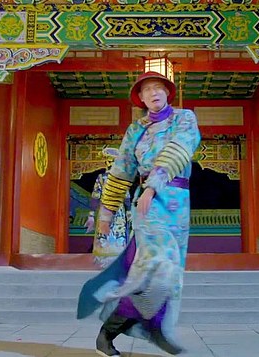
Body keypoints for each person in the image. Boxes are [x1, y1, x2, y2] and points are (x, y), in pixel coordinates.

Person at [77, 71, 201, 357]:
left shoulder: (184, 118)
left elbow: (180, 147)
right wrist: (106, 216)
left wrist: (155, 185)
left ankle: (153, 328)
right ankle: (111, 333)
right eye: (147, 90)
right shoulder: (136, 130)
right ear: (141, 99)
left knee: (167, 274)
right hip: (148, 205)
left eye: (159, 87)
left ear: (168, 92)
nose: (154, 93)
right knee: (152, 269)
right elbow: (121, 172)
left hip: (177, 204)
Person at [86, 147, 132, 268]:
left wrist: (91, 214)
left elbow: (96, 196)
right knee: (117, 233)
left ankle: (104, 260)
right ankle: (117, 260)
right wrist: (129, 212)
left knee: (107, 233)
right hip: (118, 209)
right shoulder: (120, 177)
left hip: (106, 209)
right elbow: (126, 196)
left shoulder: (101, 178)